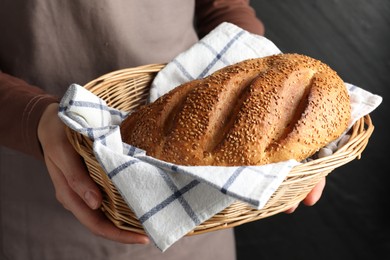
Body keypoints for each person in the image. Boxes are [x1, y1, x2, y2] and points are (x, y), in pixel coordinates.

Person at [0, 1, 325, 259]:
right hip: (40, 197)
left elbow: (224, 6)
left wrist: (272, 97)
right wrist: (33, 118)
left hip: (198, 204)